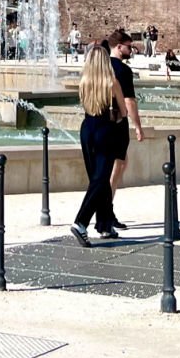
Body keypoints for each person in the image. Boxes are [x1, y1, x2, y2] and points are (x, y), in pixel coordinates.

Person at [69, 44, 126, 246]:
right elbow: (123, 112)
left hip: (87, 129)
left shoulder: (84, 82)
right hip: (105, 130)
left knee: (96, 177)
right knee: (100, 180)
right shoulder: (112, 83)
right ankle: (81, 222)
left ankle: (104, 225)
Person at [107, 30, 144, 227]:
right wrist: (138, 126)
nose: (131, 50)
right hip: (117, 122)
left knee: (113, 166)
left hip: (96, 122)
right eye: (129, 47)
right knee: (118, 165)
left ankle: (105, 210)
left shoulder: (99, 66)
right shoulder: (122, 70)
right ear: (119, 47)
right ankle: (106, 211)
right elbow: (129, 101)